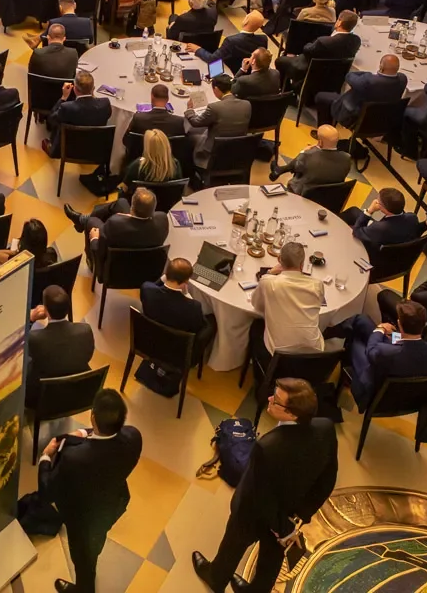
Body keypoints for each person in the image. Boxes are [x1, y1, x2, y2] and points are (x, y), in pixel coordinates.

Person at [192, 378, 336, 593]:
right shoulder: (325, 428)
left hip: (253, 512)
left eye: (276, 400)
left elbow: (260, 494)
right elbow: (328, 478)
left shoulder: (267, 447)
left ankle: (216, 577)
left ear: (291, 414)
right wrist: (297, 518)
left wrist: (282, 528)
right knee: (272, 557)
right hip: (290, 511)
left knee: (234, 544)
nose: (269, 399)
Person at [37, 388, 142, 593]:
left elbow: (47, 492)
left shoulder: (73, 458)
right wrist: (85, 433)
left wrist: (46, 457)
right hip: (113, 504)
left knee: (83, 558)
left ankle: (85, 588)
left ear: (92, 417)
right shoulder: (134, 437)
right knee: (96, 542)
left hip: (82, 521)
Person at [329, 300, 427, 410]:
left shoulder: (384, 352)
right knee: (362, 320)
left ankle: (339, 375)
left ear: (399, 324)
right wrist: (393, 335)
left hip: (376, 392)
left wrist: (380, 329)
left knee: (355, 339)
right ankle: (328, 333)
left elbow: (371, 350)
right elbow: (408, 346)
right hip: (400, 373)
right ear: (424, 324)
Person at [137, 258, 215, 394]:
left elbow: (153, 285)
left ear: (167, 274)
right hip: (177, 354)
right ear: (186, 282)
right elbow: (198, 329)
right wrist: (188, 297)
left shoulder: (147, 290)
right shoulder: (193, 307)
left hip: (148, 343)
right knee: (211, 325)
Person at [249, 242, 326, 355]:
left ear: (279, 259)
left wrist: (269, 272)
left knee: (256, 326)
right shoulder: (317, 285)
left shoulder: (268, 282)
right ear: (302, 265)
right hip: (313, 359)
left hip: (279, 358)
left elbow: (256, 305)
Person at [67, 187, 167, 267]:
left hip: (117, 266)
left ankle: (91, 261)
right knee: (121, 203)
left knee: (92, 221)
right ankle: (82, 220)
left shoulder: (115, 224)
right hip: (144, 262)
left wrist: (94, 239)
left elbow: (98, 248)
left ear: (132, 208)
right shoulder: (162, 220)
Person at [316, 53, 407, 128]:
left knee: (321, 97)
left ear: (381, 66)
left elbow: (349, 76)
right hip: (383, 121)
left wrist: (368, 74)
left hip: (355, 118)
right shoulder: (403, 79)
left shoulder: (368, 81)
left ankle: (325, 133)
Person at [277, 9, 359, 89]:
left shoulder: (323, 42)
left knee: (280, 61)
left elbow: (307, 50)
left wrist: (312, 42)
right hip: (334, 76)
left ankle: (286, 89)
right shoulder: (356, 41)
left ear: (339, 23)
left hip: (311, 70)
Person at [184, 73, 251, 170]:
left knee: (189, 131)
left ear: (216, 89)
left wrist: (189, 110)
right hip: (237, 148)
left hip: (213, 150)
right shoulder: (247, 104)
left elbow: (196, 123)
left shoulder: (214, 108)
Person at [27, 285, 95, 381]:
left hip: (44, 392)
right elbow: (88, 357)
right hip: (79, 388)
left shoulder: (34, 339)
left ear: (45, 310)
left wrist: (30, 320)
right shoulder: (85, 330)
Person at [341, 187, 424, 262]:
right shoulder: (412, 217)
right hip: (399, 254)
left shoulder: (380, 228)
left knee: (354, 224)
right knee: (353, 211)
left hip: (377, 258)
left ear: (384, 209)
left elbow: (356, 231)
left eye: (378, 201)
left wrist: (370, 210)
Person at [271, 124, 352, 197]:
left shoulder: (308, 156)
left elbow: (296, 167)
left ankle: (279, 170)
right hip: (329, 197)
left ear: (320, 142)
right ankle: (279, 170)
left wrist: (303, 152)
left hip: (302, 195)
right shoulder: (347, 158)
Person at [44, 71, 112, 156]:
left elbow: (51, 119)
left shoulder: (67, 108)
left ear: (75, 89)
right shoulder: (105, 104)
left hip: (68, 150)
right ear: (93, 88)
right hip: (94, 150)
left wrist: (63, 97)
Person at [189, 9, 269, 73]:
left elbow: (213, 59)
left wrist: (198, 49)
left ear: (246, 21)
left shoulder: (231, 41)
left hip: (229, 72)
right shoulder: (263, 39)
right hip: (248, 72)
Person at [121, 128, 183, 194]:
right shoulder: (175, 165)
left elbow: (124, 188)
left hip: (140, 203)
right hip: (170, 204)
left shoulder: (137, 166)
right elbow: (179, 190)